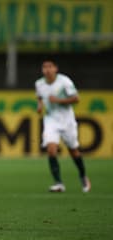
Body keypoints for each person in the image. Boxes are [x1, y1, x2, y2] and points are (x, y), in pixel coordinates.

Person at [35, 58, 91, 193]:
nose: (47, 70)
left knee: (73, 150)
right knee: (51, 149)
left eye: (50, 66)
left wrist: (59, 100)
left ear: (56, 68)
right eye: (44, 67)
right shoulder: (39, 84)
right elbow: (40, 97)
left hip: (67, 120)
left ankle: (83, 176)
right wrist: (40, 105)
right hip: (50, 120)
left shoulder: (64, 81)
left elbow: (76, 98)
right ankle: (58, 183)